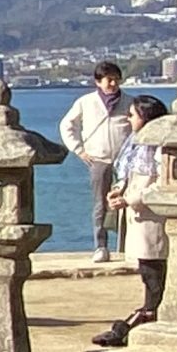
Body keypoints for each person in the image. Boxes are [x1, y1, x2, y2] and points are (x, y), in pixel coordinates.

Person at [93, 95, 170, 348]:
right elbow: (127, 173)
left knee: (153, 266)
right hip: (135, 212)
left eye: (133, 115)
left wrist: (129, 199)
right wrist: (118, 190)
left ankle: (150, 310)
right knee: (146, 266)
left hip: (151, 214)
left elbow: (161, 183)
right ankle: (148, 309)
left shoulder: (159, 147)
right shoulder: (135, 142)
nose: (129, 119)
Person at [57, 61, 133, 263]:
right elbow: (67, 125)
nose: (113, 84)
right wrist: (79, 150)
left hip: (126, 161)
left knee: (130, 201)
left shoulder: (129, 102)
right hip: (98, 159)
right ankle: (101, 246)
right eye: (109, 80)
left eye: (116, 79)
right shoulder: (86, 102)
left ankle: (128, 244)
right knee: (100, 204)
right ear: (98, 82)